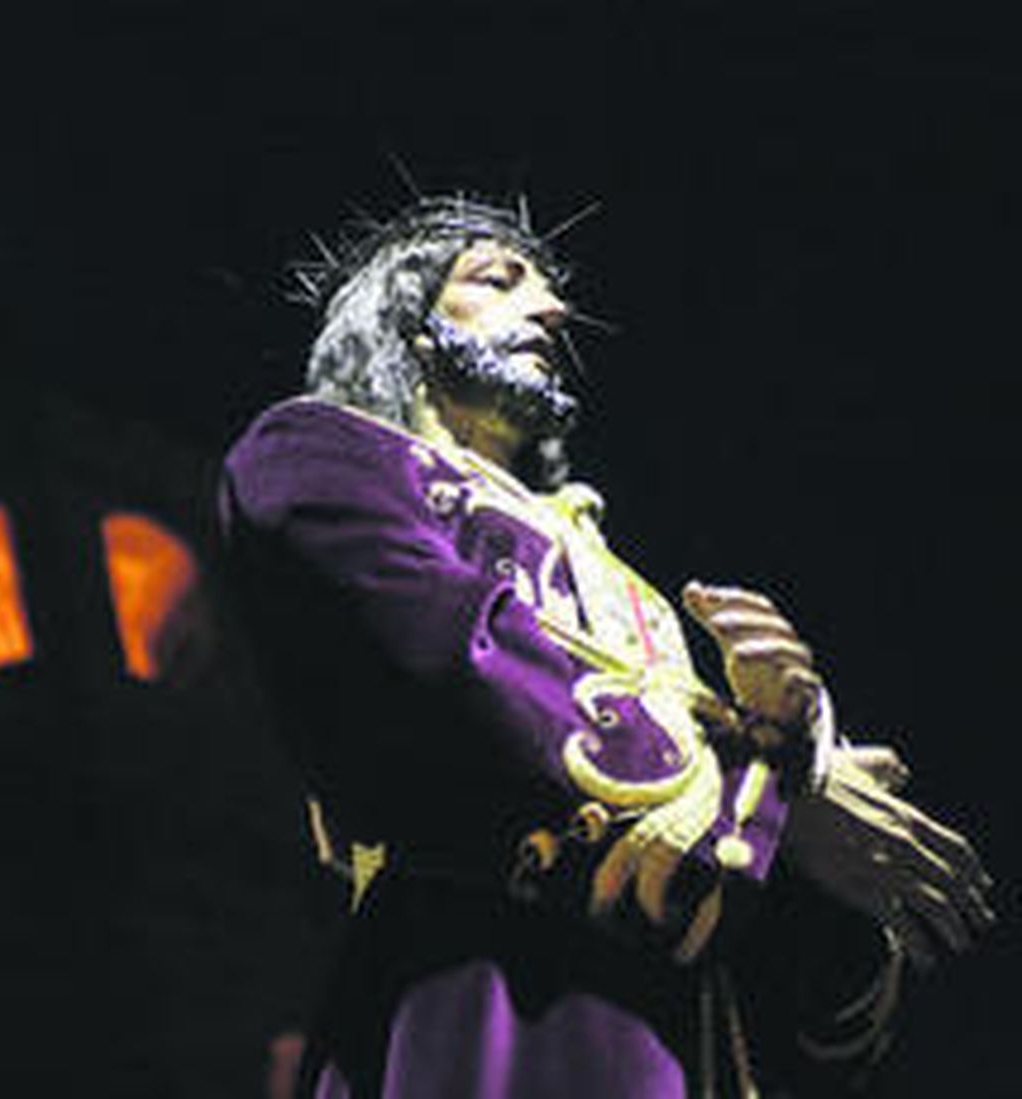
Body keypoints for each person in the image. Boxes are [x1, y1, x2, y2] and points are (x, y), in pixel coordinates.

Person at [217, 196, 993, 1097]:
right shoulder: (319, 456)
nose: (551, 310)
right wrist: (770, 788)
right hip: (491, 994)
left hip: (677, 1031)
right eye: (498, 279)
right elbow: (458, 664)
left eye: (548, 289)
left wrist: (795, 758)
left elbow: (755, 902)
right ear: (409, 324)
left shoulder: (633, 590)